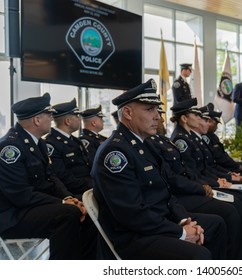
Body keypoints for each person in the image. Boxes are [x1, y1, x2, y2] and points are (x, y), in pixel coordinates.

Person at [91, 79, 228, 260]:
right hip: (135, 236)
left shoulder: (145, 145)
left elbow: (166, 191)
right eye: (149, 110)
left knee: (216, 224)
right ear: (128, 113)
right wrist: (181, 232)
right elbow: (132, 215)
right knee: (200, 256)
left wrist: (183, 219)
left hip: (157, 222)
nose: (157, 116)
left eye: (156, 109)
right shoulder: (116, 152)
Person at [0, 93, 96, 259]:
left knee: (86, 209)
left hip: (25, 208)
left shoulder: (38, 143)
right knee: (67, 214)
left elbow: (52, 180)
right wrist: (63, 202)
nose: (52, 118)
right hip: (8, 217)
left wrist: (69, 197)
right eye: (49, 115)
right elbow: (20, 195)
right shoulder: (9, 148)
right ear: (37, 120)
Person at [147, 108, 242, 259]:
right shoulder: (175, 139)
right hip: (180, 195)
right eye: (197, 115)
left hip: (182, 193)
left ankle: (239, 254)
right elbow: (173, 179)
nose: (160, 119)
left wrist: (212, 182)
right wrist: (202, 187)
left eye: (160, 114)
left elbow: (190, 171)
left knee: (237, 199)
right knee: (230, 209)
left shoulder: (161, 139)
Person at [170, 98, 242, 250]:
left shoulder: (191, 137)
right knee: (238, 199)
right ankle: (241, 245)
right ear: (184, 119)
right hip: (196, 188)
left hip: (205, 182)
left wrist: (224, 177)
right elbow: (191, 173)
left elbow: (206, 167)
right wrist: (217, 183)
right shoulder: (181, 140)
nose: (203, 120)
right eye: (197, 116)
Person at [44, 98, 92, 198]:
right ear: (68, 121)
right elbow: (62, 176)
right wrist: (93, 185)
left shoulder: (75, 140)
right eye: (77, 116)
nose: (79, 119)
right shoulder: (51, 143)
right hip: (75, 193)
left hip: (88, 187)